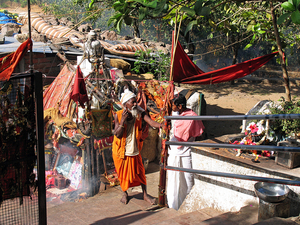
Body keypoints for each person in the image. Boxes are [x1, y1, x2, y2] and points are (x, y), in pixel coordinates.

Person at [112, 89, 162, 205]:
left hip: (135, 149)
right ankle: (125, 193)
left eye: (136, 102)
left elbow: (150, 122)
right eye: (132, 102)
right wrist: (122, 121)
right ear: (125, 104)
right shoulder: (118, 115)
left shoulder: (140, 112)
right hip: (121, 151)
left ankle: (145, 195)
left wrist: (161, 125)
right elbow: (118, 134)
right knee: (123, 175)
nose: (135, 104)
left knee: (140, 173)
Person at [167, 93, 205, 210]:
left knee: (188, 179)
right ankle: (173, 204)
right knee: (173, 179)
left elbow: (190, 134)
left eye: (173, 105)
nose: (171, 107)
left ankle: (188, 204)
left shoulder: (191, 116)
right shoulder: (179, 114)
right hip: (174, 152)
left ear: (180, 106)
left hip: (185, 152)